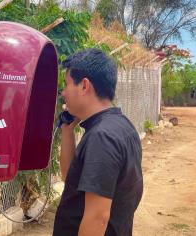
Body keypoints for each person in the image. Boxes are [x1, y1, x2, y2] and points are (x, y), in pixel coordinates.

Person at [53, 48, 143, 236]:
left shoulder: (102, 137)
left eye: (66, 84)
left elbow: (98, 217)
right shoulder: (121, 126)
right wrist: (67, 131)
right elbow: (69, 177)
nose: (63, 93)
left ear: (84, 86)